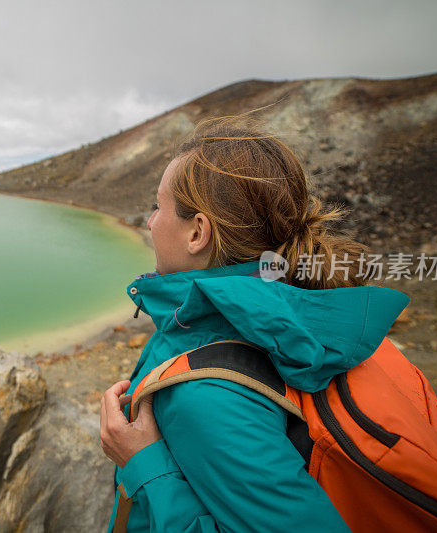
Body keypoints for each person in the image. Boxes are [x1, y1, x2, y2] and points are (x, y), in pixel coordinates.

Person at [99, 117, 411, 532]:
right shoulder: (286, 310)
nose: (151, 221)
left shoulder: (206, 396)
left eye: (158, 206)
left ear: (198, 233)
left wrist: (146, 466)